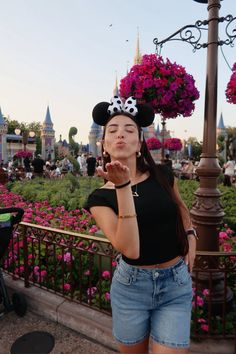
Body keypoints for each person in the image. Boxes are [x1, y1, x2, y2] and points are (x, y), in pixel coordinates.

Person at [85, 96, 197, 354]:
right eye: (112, 130)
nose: (120, 134)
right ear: (104, 144)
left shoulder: (163, 175)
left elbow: (180, 208)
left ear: (140, 142)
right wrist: (122, 186)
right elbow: (131, 250)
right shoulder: (99, 198)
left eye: (129, 129)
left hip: (175, 285)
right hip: (132, 288)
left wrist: (191, 233)